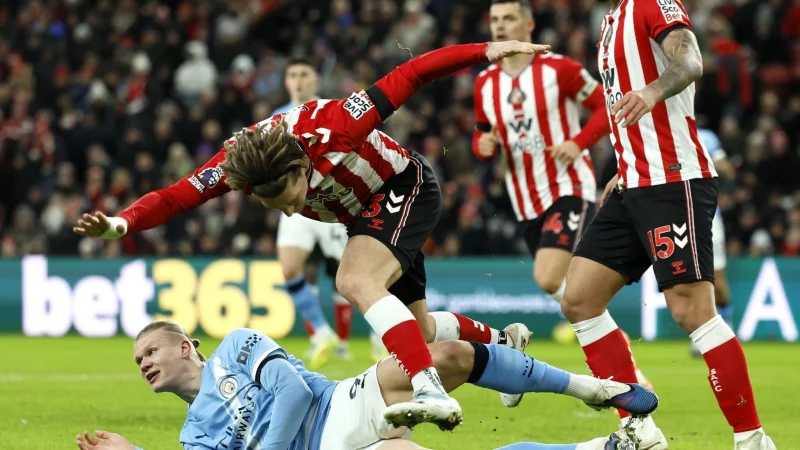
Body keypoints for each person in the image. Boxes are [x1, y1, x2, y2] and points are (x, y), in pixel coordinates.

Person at [73, 40, 551, 429]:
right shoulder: (239, 163)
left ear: (302, 165)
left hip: (404, 186)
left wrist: (484, 50)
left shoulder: (336, 125)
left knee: (355, 281)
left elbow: (411, 74)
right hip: (364, 215)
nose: (292, 209)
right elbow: (178, 195)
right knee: (418, 329)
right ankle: (503, 343)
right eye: (275, 205)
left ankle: (426, 383)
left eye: (291, 195)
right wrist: (122, 223)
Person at [559, 0, 775, 449]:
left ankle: (752, 440)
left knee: (691, 310)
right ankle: (642, 430)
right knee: (579, 298)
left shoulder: (651, 2)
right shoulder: (610, 21)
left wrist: (654, 91)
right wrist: (626, 165)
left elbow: (690, 58)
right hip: (634, 183)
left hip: (674, 180)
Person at [74, 321, 658, 450]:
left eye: (148, 351)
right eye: (136, 361)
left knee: (443, 355)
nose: (143, 363)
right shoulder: (192, 435)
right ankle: (604, 449)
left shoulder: (235, 345)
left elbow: (298, 393)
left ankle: (594, 389)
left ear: (184, 346)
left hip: (335, 407)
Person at [472, 0, 651, 394]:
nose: (500, 26)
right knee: (572, 293)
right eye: (495, 20)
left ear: (529, 24)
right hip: (525, 200)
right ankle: (625, 371)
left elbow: (606, 108)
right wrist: (482, 145)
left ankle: (521, 361)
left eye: (509, 18)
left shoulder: (561, 70)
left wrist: (577, 141)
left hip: (569, 187)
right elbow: (482, 135)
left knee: (547, 275)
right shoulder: (484, 82)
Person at [271, 58, 387, 368]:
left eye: (304, 74)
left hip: (329, 203)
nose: (298, 81)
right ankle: (322, 334)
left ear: (315, 81)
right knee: (289, 268)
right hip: (296, 206)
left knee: (359, 276)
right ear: (285, 82)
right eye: (292, 75)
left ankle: (381, 336)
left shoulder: (328, 110)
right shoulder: (275, 119)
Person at [690, 128, 735, 357]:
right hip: (677, 219)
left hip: (708, 218)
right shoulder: (660, 133)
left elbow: (727, 170)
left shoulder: (706, 136)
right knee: (690, 279)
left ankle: (726, 327)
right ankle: (702, 335)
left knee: (716, 280)